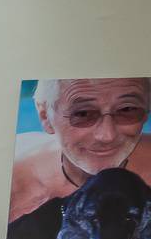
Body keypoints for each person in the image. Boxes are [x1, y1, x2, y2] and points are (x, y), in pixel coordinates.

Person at [9, 77, 151, 223]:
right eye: (83, 113)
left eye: (126, 109)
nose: (107, 136)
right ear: (45, 116)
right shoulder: (11, 184)